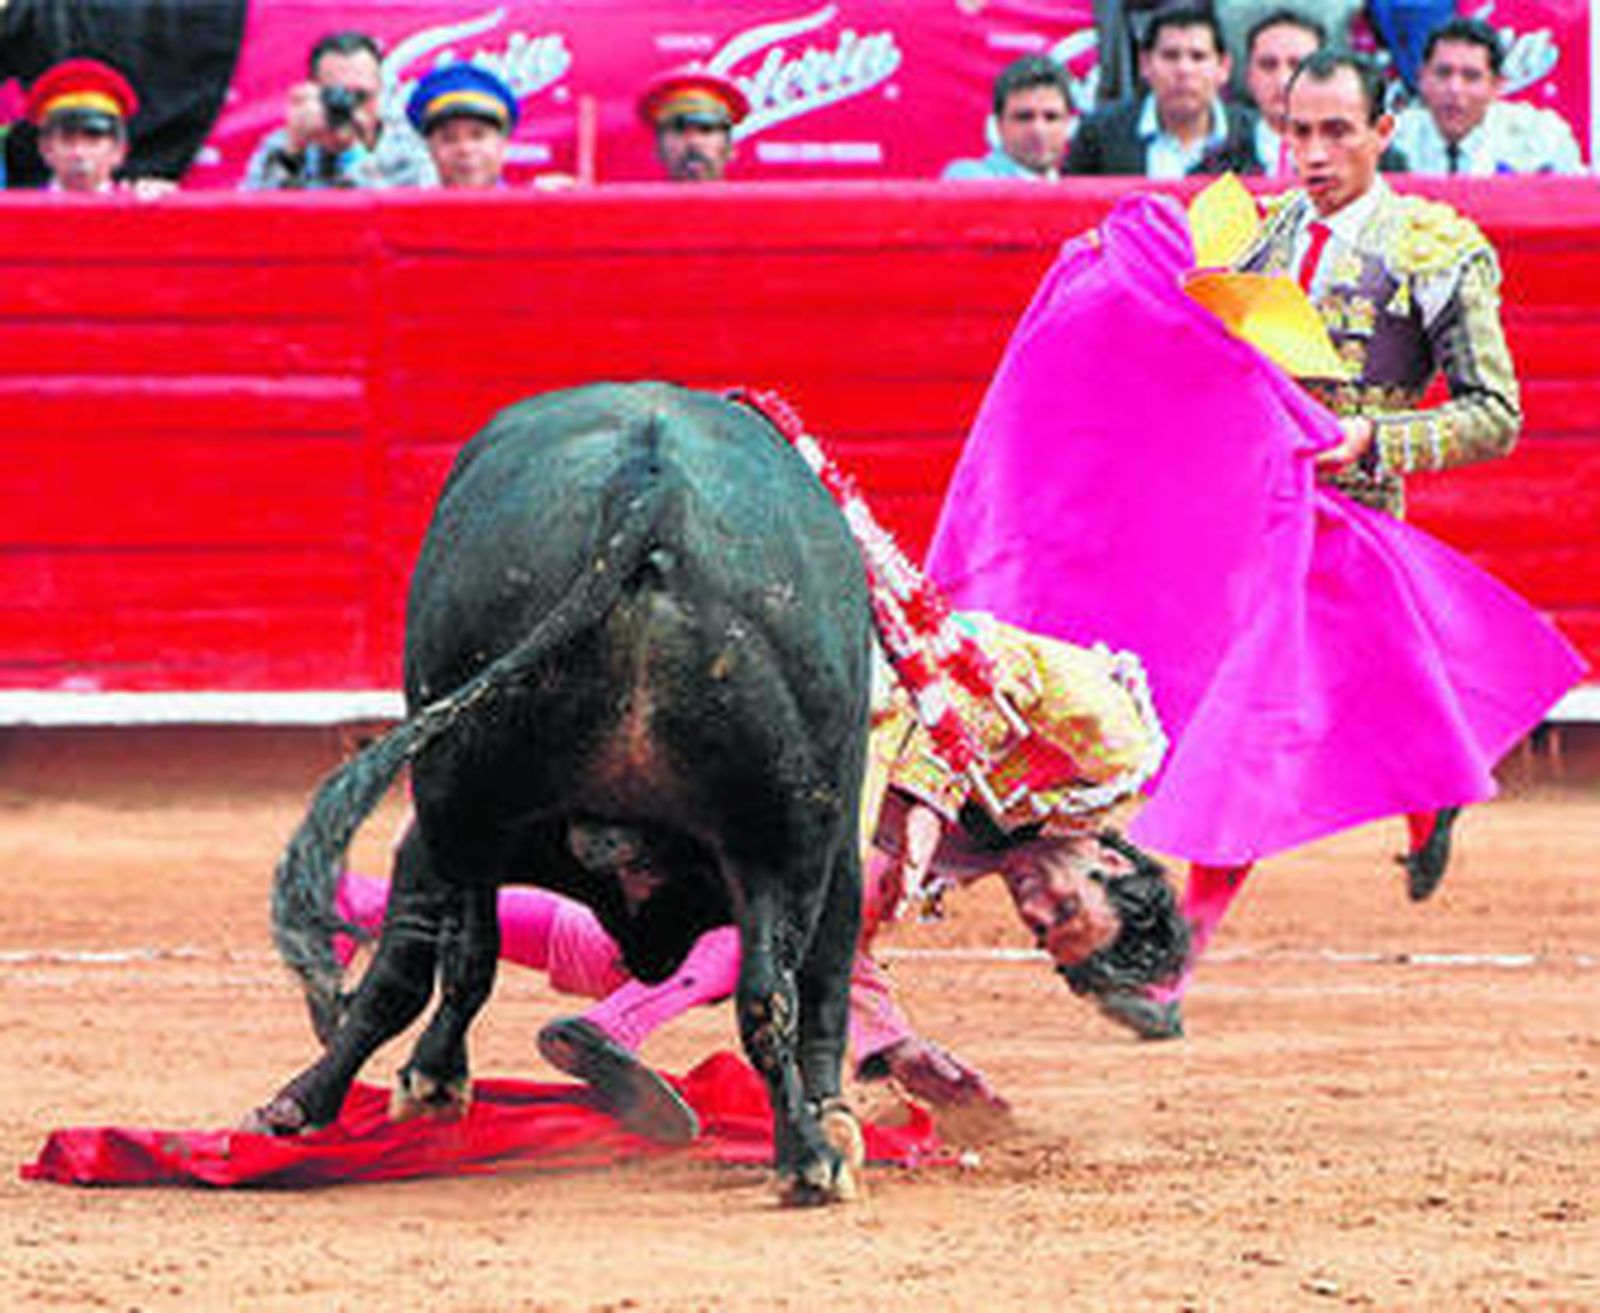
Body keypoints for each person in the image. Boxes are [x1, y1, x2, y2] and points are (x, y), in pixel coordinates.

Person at [928, 50, 1579, 1044]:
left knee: (1255, 731)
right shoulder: (1253, 231)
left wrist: (1374, 438)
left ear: (1382, 130)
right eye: (1295, 133)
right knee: (1244, 727)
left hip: (1348, 515)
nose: (1310, 154)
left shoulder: (1438, 248)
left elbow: (1496, 415)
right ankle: (1426, 795)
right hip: (1245, 520)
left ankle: (1181, 955)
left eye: (1332, 133)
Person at [332, 614, 1189, 1140]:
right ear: (1112, 861)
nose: (1032, 906)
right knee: (785, 902)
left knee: (652, 940)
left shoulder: (989, 849)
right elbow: (971, 651)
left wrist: (891, 1045)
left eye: (1042, 929)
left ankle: (353, 906)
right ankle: (618, 1027)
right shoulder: (1113, 743)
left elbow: (841, 938)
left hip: (789, 754)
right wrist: (925, 800)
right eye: (1064, 903)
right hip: (817, 675)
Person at [1066, 6, 1259, 177]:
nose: (1184, 70)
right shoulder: (1100, 136)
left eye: (1198, 57)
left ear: (1224, 67)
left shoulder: (1256, 135)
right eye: (1170, 56)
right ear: (1145, 64)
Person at [241, 30, 436, 190]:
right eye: (336, 94)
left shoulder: (410, 145)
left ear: (381, 91)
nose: (349, 107)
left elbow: (397, 219)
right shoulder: (285, 144)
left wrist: (352, 153)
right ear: (314, 90)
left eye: (361, 96)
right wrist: (292, 153)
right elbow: (252, 221)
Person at [1391, 18, 1586, 176]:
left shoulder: (1542, 137)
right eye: (1443, 73)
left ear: (1496, 86)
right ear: (1422, 78)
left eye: (1471, 76)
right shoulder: (1390, 140)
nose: (1454, 89)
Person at [22, 57, 174, 198]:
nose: (78, 153)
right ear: (45, 149)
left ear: (119, 151)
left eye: (92, 142)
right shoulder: (19, 211)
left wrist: (165, 208)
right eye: (67, 141)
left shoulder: (139, 205)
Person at [942, 55, 1074, 181]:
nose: (1038, 129)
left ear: (1068, 124)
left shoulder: (1078, 190)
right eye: (1024, 117)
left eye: (1051, 118)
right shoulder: (969, 177)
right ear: (999, 125)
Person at [1236, 8, 1324, 176]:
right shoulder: (1216, 165)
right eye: (1268, 65)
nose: (1283, 80)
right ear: (1248, 76)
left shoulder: (1361, 160)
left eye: (1298, 65)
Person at [405, 63, 519, 190]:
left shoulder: (534, 208)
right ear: (431, 150)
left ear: (503, 145)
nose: (465, 149)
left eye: (478, 136)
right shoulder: (411, 209)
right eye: (449, 139)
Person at [636, 68, 747, 183]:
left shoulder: (758, 201)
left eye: (706, 130)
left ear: (730, 149)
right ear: (658, 149)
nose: (694, 142)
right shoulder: (631, 201)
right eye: (679, 129)